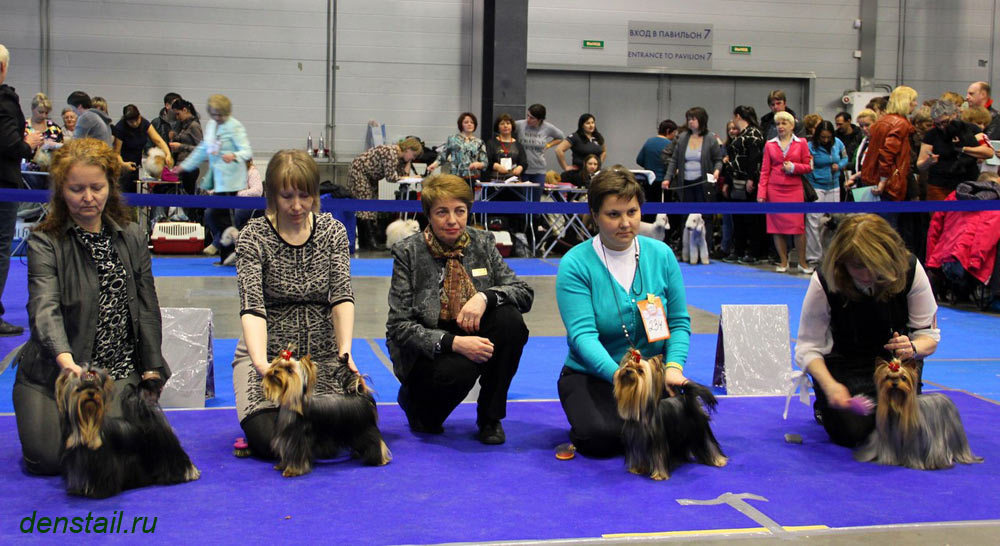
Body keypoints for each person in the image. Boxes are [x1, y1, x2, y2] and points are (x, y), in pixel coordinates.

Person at [13, 138, 171, 474]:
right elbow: (44, 306)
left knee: (112, 449)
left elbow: (147, 307)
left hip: (115, 373)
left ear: (111, 187)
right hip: (55, 375)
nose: (88, 198)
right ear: (61, 191)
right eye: (76, 189)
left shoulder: (132, 236)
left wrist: (153, 369)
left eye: (96, 187)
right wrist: (66, 360)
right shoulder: (44, 241)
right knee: (49, 460)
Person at [555, 166, 692, 456]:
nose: (625, 223)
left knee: (680, 433)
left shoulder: (662, 255)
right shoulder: (575, 264)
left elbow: (679, 322)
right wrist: (618, 375)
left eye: (632, 212)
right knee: (602, 440)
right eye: (613, 215)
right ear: (594, 215)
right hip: (594, 375)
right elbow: (582, 336)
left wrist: (673, 368)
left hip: (651, 375)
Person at [386, 174, 533, 444]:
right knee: (432, 416)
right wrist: (453, 343)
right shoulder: (408, 253)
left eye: (460, 211)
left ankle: (490, 417)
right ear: (428, 214)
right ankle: (413, 401)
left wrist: (486, 297)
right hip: (430, 350)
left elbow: (523, 293)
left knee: (510, 321)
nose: (452, 220)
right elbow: (399, 327)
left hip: (472, 330)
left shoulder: (482, 243)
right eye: (442, 212)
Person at [233, 149, 359, 458]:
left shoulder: (333, 232)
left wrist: (345, 353)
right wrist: (263, 364)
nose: (297, 206)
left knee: (334, 437)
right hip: (270, 355)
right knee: (272, 442)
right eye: (287, 196)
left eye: (305, 195)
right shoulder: (252, 237)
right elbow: (253, 307)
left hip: (322, 357)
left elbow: (342, 295)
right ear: (272, 194)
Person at [795, 214, 940, 448]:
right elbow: (807, 348)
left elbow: (928, 337)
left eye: (874, 265)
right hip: (844, 366)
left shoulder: (910, 269)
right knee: (855, 433)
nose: (867, 274)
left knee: (902, 432)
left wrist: (912, 347)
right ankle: (825, 406)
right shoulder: (824, 280)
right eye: (857, 266)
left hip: (895, 367)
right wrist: (830, 386)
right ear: (842, 262)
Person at [0, 43, 43, 336]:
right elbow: (10, 144)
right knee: (1, 247)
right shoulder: (4, 100)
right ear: (3, 67)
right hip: (3, 182)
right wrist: (29, 144)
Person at [178, 94, 252, 253]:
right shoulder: (211, 125)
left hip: (232, 179)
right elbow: (203, 149)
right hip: (217, 179)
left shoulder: (235, 126)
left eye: (220, 114)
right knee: (216, 216)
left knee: (216, 214)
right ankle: (226, 254)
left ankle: (224, 247)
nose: (217, 117)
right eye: (214, 114)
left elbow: (246, 151)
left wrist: (234, 155)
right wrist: (184, 166)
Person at [663, 106, 724, 259]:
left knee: (705, 217)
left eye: (693, 119)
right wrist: (667, 178)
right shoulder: (683, 137)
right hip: (686, 183)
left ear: (701, 121)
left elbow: (718, 159)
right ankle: (686, 252)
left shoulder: (710, 138)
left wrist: (717, 171)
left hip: (703, 183)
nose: (690, 122)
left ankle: (706, 249)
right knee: (686, 217)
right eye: (689, 119)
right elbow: (675, 160)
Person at [757, 110, 813, 274]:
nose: (780, 126)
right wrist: (761, 193)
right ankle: (783, 261)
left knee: (798, 227)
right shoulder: (769, 144)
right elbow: (765, 170)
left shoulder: (801, 143)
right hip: (774, 190)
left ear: (792, 126)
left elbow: (808, 166)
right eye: (778, 123)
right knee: (776, 227)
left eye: (784, 123)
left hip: (794, 189)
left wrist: (794, 167)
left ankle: (802, 262)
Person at [348, 136, 423, 250]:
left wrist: (409, 162)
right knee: (365, 206)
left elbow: (403, 175)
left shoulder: (400, 157)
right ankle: (370, 242)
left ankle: (366, 242)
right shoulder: (391, 153)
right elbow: (391, 177)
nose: (413, 158)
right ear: (408, 149)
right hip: (360, 172)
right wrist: (408, 176)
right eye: (413, 155)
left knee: (372, 206)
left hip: (370, 177)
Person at [916, 100, 994, 201]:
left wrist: (963, 149)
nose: (942, 127)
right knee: (939, 216)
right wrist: (928, 161)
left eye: (945, 122)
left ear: (954, 114)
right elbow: (920, 165)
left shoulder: (972, 129)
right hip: (939, 185)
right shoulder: (931, 134)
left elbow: (989, 152)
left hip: (968, 184)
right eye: (937, 124)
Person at [860, 86, 918, 205]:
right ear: (905, 102)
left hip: (871, 180)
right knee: (886, 222)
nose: (916, 104)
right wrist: (883, 180)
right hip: (887, 184)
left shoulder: (881, 121)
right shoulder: (900, 124)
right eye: (913, 100)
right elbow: (887, 154)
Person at [724, 105, 766, 264]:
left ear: (738, 116)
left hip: (749, 181)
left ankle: (753, 252)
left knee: (751, 218)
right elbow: (734, 159)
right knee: (738, 218)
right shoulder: (740, 134)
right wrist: (728, 182)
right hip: (735, 180)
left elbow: (755, 159)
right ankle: (739, 249)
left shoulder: (754, 133)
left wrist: (752, 179)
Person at [804, 121, 847, 267]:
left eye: (828, 137)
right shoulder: (810, 147)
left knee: (834, 222)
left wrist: (839, 165)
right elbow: (807, 167)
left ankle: (832, 255)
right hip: (816, 186)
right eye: (823, 137)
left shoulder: (838, 143)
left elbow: (845, 158)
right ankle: (814, 257)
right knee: (814, 221)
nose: (826, 140)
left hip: (834, 186)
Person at [113, 104, 173, 193]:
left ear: (139, 116)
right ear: (126, 121)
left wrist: (168, 154)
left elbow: (159, 141)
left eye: (136, 120)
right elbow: (116, 153)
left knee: (136, 194)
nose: (135, 124)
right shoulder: (120, 128)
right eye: (131, 122)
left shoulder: (144, 123)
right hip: (123, 169)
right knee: (125, 195)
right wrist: (123, 164)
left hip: (136, 166)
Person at [428, 112, 487, 181]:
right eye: (466, 122)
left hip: (473, 178)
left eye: (472, 122)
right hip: (456, 177)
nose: (469, 124)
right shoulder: (452, 139)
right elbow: (443, 156)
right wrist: (434, 165)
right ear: (461, 125)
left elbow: (485, 162)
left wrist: (479, 164)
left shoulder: (479, 142)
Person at [515, 103, 565, 184]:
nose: (528, 119)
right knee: (522, 195)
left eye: (532, 118)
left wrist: (548, 145)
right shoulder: (520, 125)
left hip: (539, 169)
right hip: (521, 169)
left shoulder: (547, 127)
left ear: (540, 119)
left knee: (536, 196)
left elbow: (561, 137)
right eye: (527, 116)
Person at [635, 119, 678, 209]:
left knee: (649, 208)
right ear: (668, 131)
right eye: (674, 132)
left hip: (649, 182)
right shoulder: (670, 145)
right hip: (664, 182)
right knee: (665, 209)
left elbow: (639, 160)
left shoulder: (649, 142)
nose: (675, 135)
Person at [168, 99, 203, 199]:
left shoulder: (194, 126)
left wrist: (181, 146)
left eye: (178, 114)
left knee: (188, 199)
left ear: (184, 110)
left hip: (190, 169)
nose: (177, 117)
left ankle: (193, 214)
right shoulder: (183, 126)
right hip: (181, 166)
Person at [484, 112, 527, 180]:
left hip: (514, 180)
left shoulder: (518, 145)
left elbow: (524, 163)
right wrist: (496, 166)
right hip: (495, 180)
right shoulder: (491, 143)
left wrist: (520, 167)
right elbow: (486, 161)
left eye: (508, 123)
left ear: (512, 126)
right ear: (498, 127)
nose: (505, 126)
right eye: (502, 124)